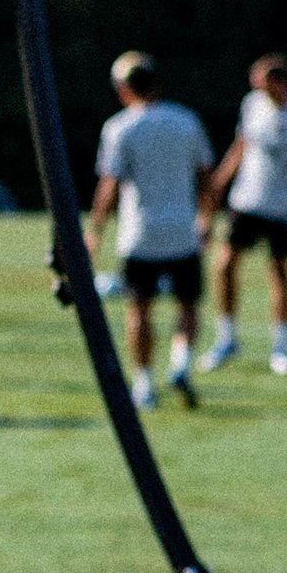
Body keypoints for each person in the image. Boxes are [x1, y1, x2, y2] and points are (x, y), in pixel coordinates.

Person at [87, 52, 214, 412]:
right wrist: (206, 221)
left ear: (124, 88)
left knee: (139, 309)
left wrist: (95, 229)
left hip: (139, 233)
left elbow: (109, 186)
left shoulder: (119, 127)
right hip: (181, 231)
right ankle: (180, 365)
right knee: (187, 305)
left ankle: (143, 383)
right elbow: (206, 177)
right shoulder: (186, 121)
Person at [205, 54, 287, 376]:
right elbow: (241, 145)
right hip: (245, 201)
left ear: (279, 81)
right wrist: (220, 179)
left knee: (279, 274)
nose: (256, 87)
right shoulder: (252, 104)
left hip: (281, 207)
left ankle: (281, 347)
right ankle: (227, 337)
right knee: (224, 265)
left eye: (261, 81)